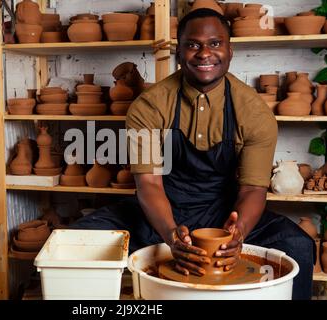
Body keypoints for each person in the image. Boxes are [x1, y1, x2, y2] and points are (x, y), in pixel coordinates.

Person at [71, 8, 314, 300]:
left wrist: (239, 234)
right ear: (179, 51)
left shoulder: (254, 112)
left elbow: (252, 188)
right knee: (79, 239)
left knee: (297, 244)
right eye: (193, 44)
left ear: (230, 50)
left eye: (215, 43)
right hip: (160, 212)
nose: (204, 53)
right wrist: (172, 236)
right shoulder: (149, 106)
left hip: (223, 212)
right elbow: (148, 184)